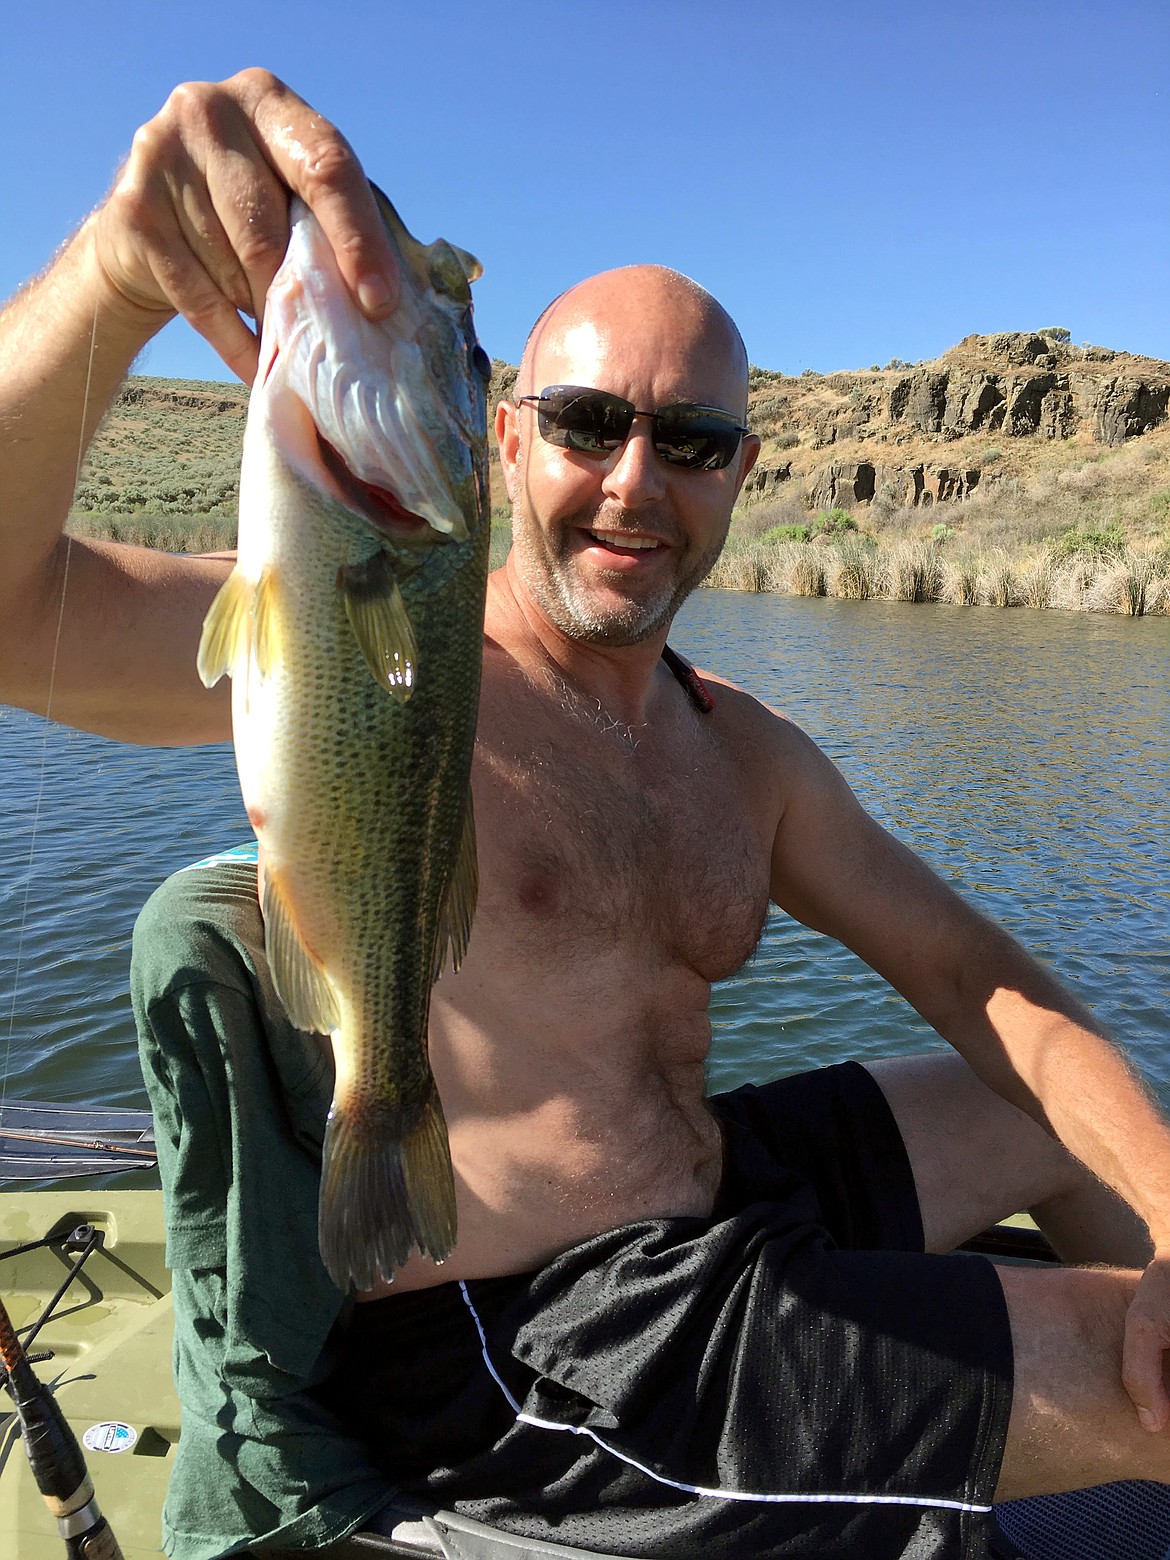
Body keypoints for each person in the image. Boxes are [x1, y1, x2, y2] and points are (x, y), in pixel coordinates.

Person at [2, 68, 1170, 1560]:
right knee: (1142, 1400)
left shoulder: (743, 749)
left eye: (686, 442)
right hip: (541, 1345)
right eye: (587, 422)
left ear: (740, 475)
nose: (633, 483)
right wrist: (114, 266)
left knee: (1068, 1118)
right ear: (501, 443)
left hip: (713, 1196)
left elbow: (972, 977)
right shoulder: (365, 634)